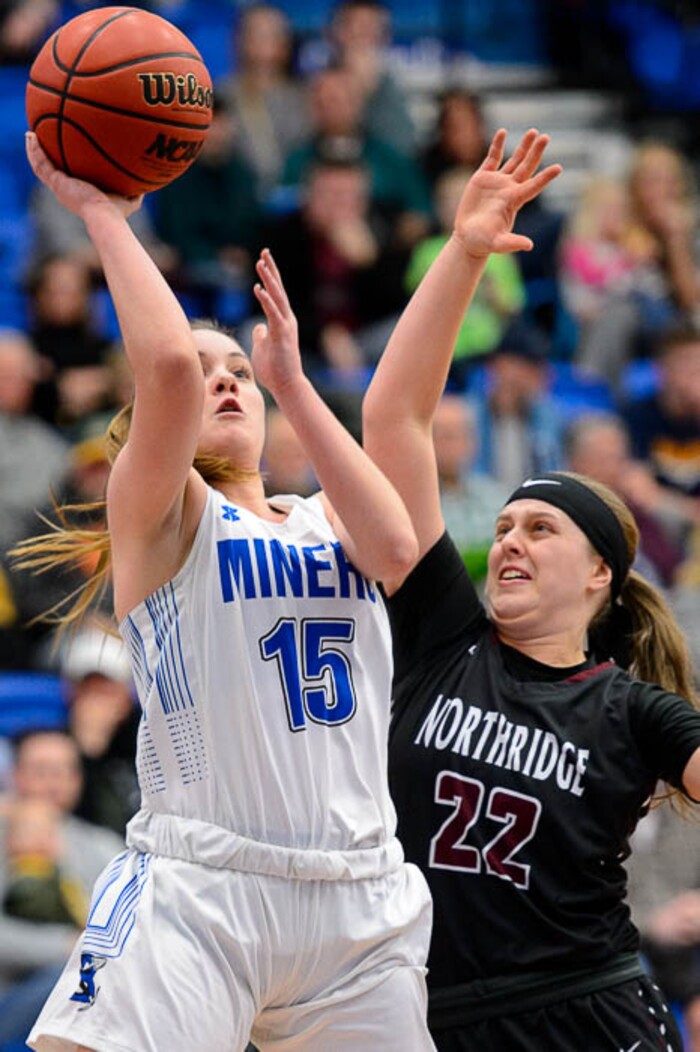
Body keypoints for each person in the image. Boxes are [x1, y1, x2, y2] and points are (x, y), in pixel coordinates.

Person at [15, 130, 434, 1052]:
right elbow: (164, 367)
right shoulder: (164, 514)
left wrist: (290, 378)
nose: (227, 383)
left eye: (239, 372)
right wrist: (101, 215)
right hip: (202, 886)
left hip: (358, 897)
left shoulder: (328, 514)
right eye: (211, 376)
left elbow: (402, 551)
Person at [362, 127, 700, 1051]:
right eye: (504, 527)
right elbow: (394, 416)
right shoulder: (443, 639)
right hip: (434, 1018)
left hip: (589, 1012)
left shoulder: (635, 712)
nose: (509, 541)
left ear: (600, 572)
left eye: (539, 529)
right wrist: (465, 253)